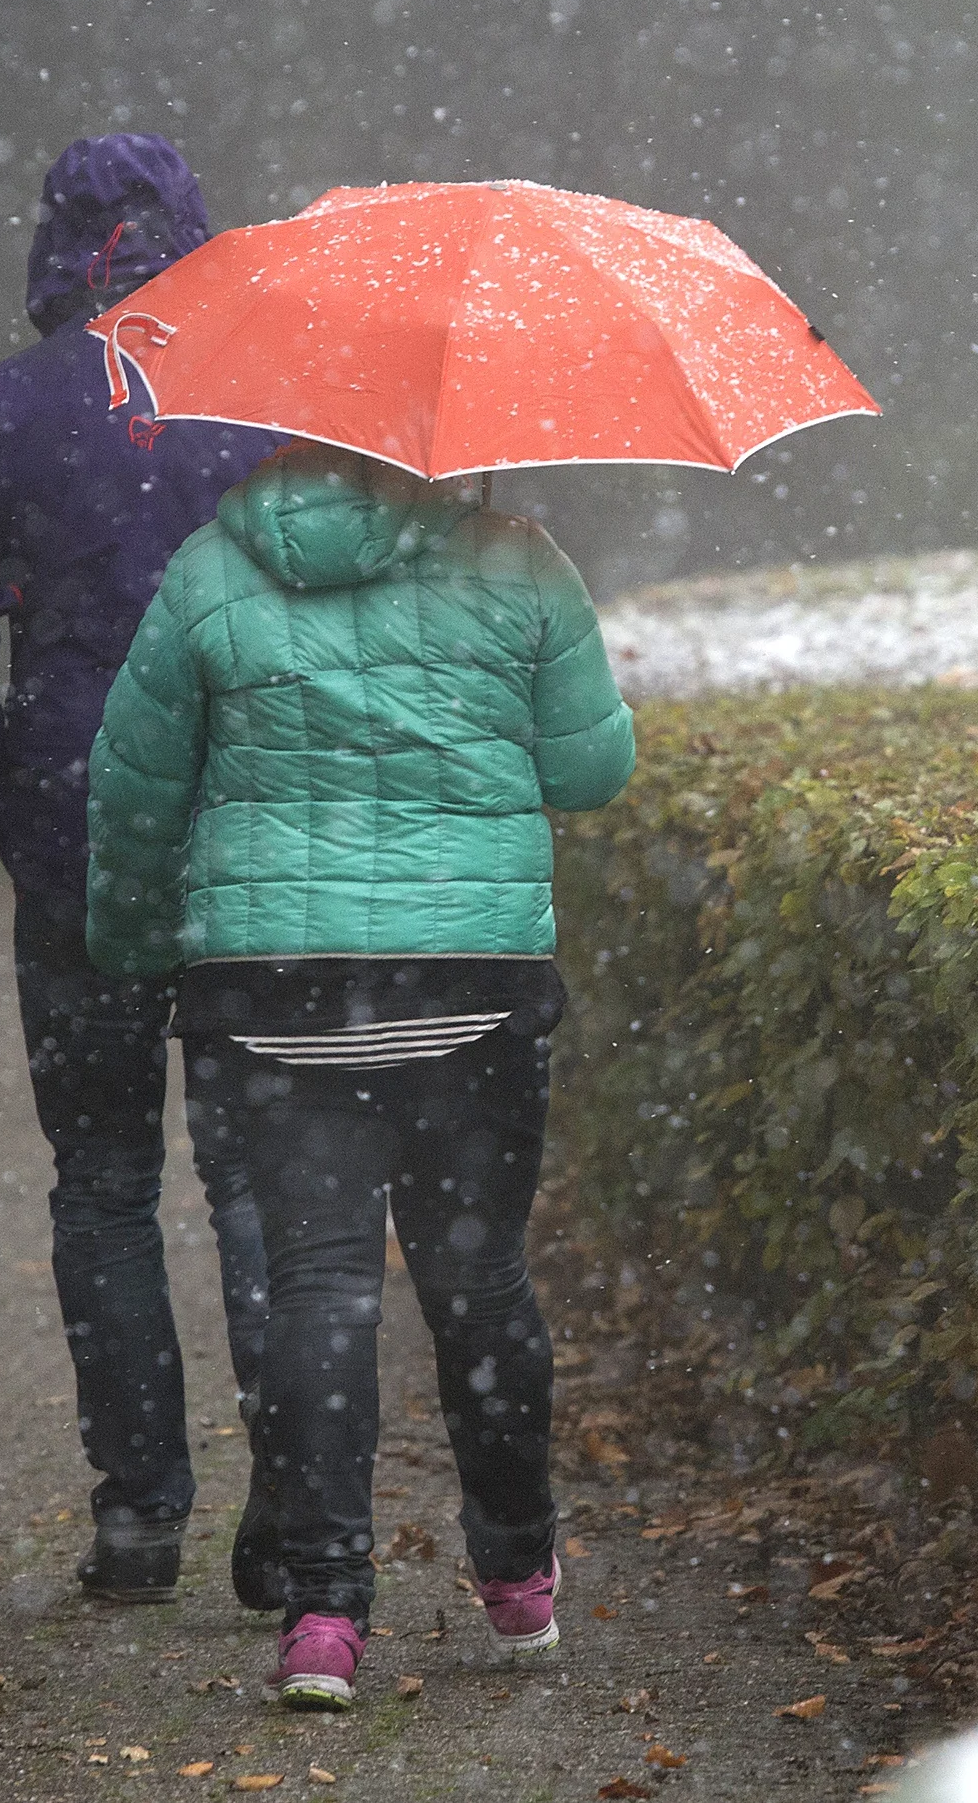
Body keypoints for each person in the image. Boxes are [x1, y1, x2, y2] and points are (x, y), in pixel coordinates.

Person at [85, 440, 635, 1709]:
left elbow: (135, 786)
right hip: (472, 991)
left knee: (318, 1288)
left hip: (278, 995)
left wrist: (130, 942)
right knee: (478, 1284)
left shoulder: (212, 572)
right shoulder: (520, 562)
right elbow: (590, 773)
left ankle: (324, 1610)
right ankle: (515, 1579)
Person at [0, 132, 285, 1604]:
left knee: (103, 1180)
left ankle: (137, 1514)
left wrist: (6, 790)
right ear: (191, 230)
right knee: (256, 1176)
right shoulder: (266, 391)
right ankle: (296, 1512)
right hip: (253, 829)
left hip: (78, 839)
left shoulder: (1, 413)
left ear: (57, 243)